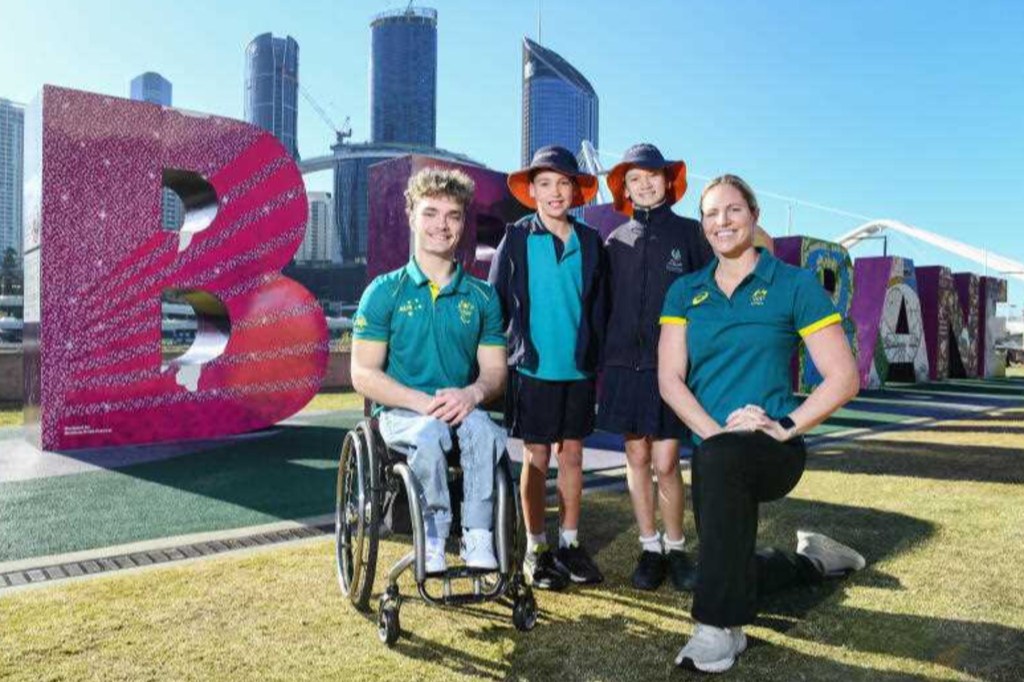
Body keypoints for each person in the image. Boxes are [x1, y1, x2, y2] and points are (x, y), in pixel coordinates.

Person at [658, 174, 865, 673]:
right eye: (710, 213)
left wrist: (787, 424)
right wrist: (716, 432)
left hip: (775, 448)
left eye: (733, 210)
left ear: (753, 217)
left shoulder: (793, 284)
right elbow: (670, 380)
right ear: (702, 225)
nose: (722, 221)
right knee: (726, 545)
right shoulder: (685, 291)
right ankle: (813, 559)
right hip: (714, 447)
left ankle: (716, 629)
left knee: (720, 465)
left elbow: (843, 377)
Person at [351, 167, 508, 574]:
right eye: (431, 212)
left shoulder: (482, 296)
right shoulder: (384, 292)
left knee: (485, 431)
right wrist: (421, 402)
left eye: (453, 215)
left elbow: (494, 372)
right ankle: (434, 534)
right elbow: (363, 373)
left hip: (460, 409)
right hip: (404, 415)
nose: (442, 224)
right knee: (430, 430)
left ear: (462, 223)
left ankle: (477, 535)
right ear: (412, 217)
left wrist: (472, 394)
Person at [488, 145, 607, 590]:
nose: (554, 192)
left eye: (563, 183)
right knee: (536, 457)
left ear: (576, 190)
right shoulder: (516, 239)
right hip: (532, 369)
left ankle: (570, 543)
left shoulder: (592, 242)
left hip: (578, 370)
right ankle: (536, 549)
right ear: (532, 190)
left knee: (572, 455)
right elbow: (495, 304)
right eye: (545, 183)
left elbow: (600, 308)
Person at [600, 143, 712, 592]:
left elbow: (707, 296)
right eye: (634, 178)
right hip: (625, 365)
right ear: (624, 188)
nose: (644, 184)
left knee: (666, 461)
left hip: (672, 366)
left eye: (651, 176)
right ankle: (649, 548)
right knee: (636, 455)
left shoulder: (691, 235)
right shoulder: (615, 241)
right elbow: (603, 305)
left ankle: (677, 546)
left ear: (668, 181)